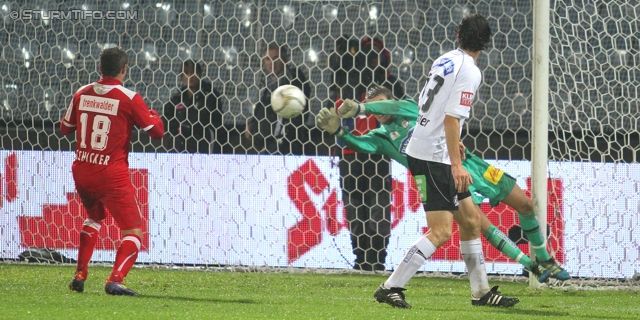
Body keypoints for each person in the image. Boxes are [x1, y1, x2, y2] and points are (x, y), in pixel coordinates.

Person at [335, 14, 517, 308]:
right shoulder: (471, 71)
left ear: (458, 35)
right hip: (433, 156)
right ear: (485, 43)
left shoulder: (444, 59)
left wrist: (450, 147)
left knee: (470, 222)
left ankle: (482, 292)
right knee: (442, 230)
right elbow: (451, 117)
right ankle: (391, 286)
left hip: (431, 149)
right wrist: (456, 163)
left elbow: (425, 107)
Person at [318, 85, 570, 282]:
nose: (378, 111)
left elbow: (394, 107)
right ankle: (532, 266)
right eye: (373, 108)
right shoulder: (382, 137)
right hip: (439, 180)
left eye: (380, 105)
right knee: (480, 225)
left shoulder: (408, 108)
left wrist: (362, 107)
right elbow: (358, 144)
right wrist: (339, 132)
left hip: (468, 163)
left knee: (525, 203)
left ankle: (545, 259)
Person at [60, 47, 165, 296]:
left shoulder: (81, 93)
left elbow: (65, 128)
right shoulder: (128, 97)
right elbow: (157, 133)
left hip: (82, 169)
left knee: (94, 218)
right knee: (133, 232)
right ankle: (115, 279)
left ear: (99, 68)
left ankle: (80, 276)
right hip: (111, 174)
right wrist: (154, 116)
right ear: (124, 69)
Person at [327, 37, 404, 271]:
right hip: (354, 152)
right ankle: (365, 258)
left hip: (374, 151)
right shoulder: (344, 81)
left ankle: (372, 258)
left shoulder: (381, 84)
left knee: (371, 205)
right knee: (360, 206)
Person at [244, 42, 311, 155]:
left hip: (283, 144)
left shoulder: (293, 79)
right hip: (264, 144)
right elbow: (263, 107)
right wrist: (253, 122)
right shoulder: (265, 82)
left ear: (285, 59)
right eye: (267, 59)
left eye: (276, 59)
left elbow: (298, 111)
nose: (272, 63)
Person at [163, 60, 223, 153]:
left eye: (193, 72)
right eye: (186, 73)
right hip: (180, 145)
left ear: (199, 74)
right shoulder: (177, 97)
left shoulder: (210, 95)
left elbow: (208, 118)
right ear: (182, 76)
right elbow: (166, 118)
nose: (190, 76)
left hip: (203, 144)